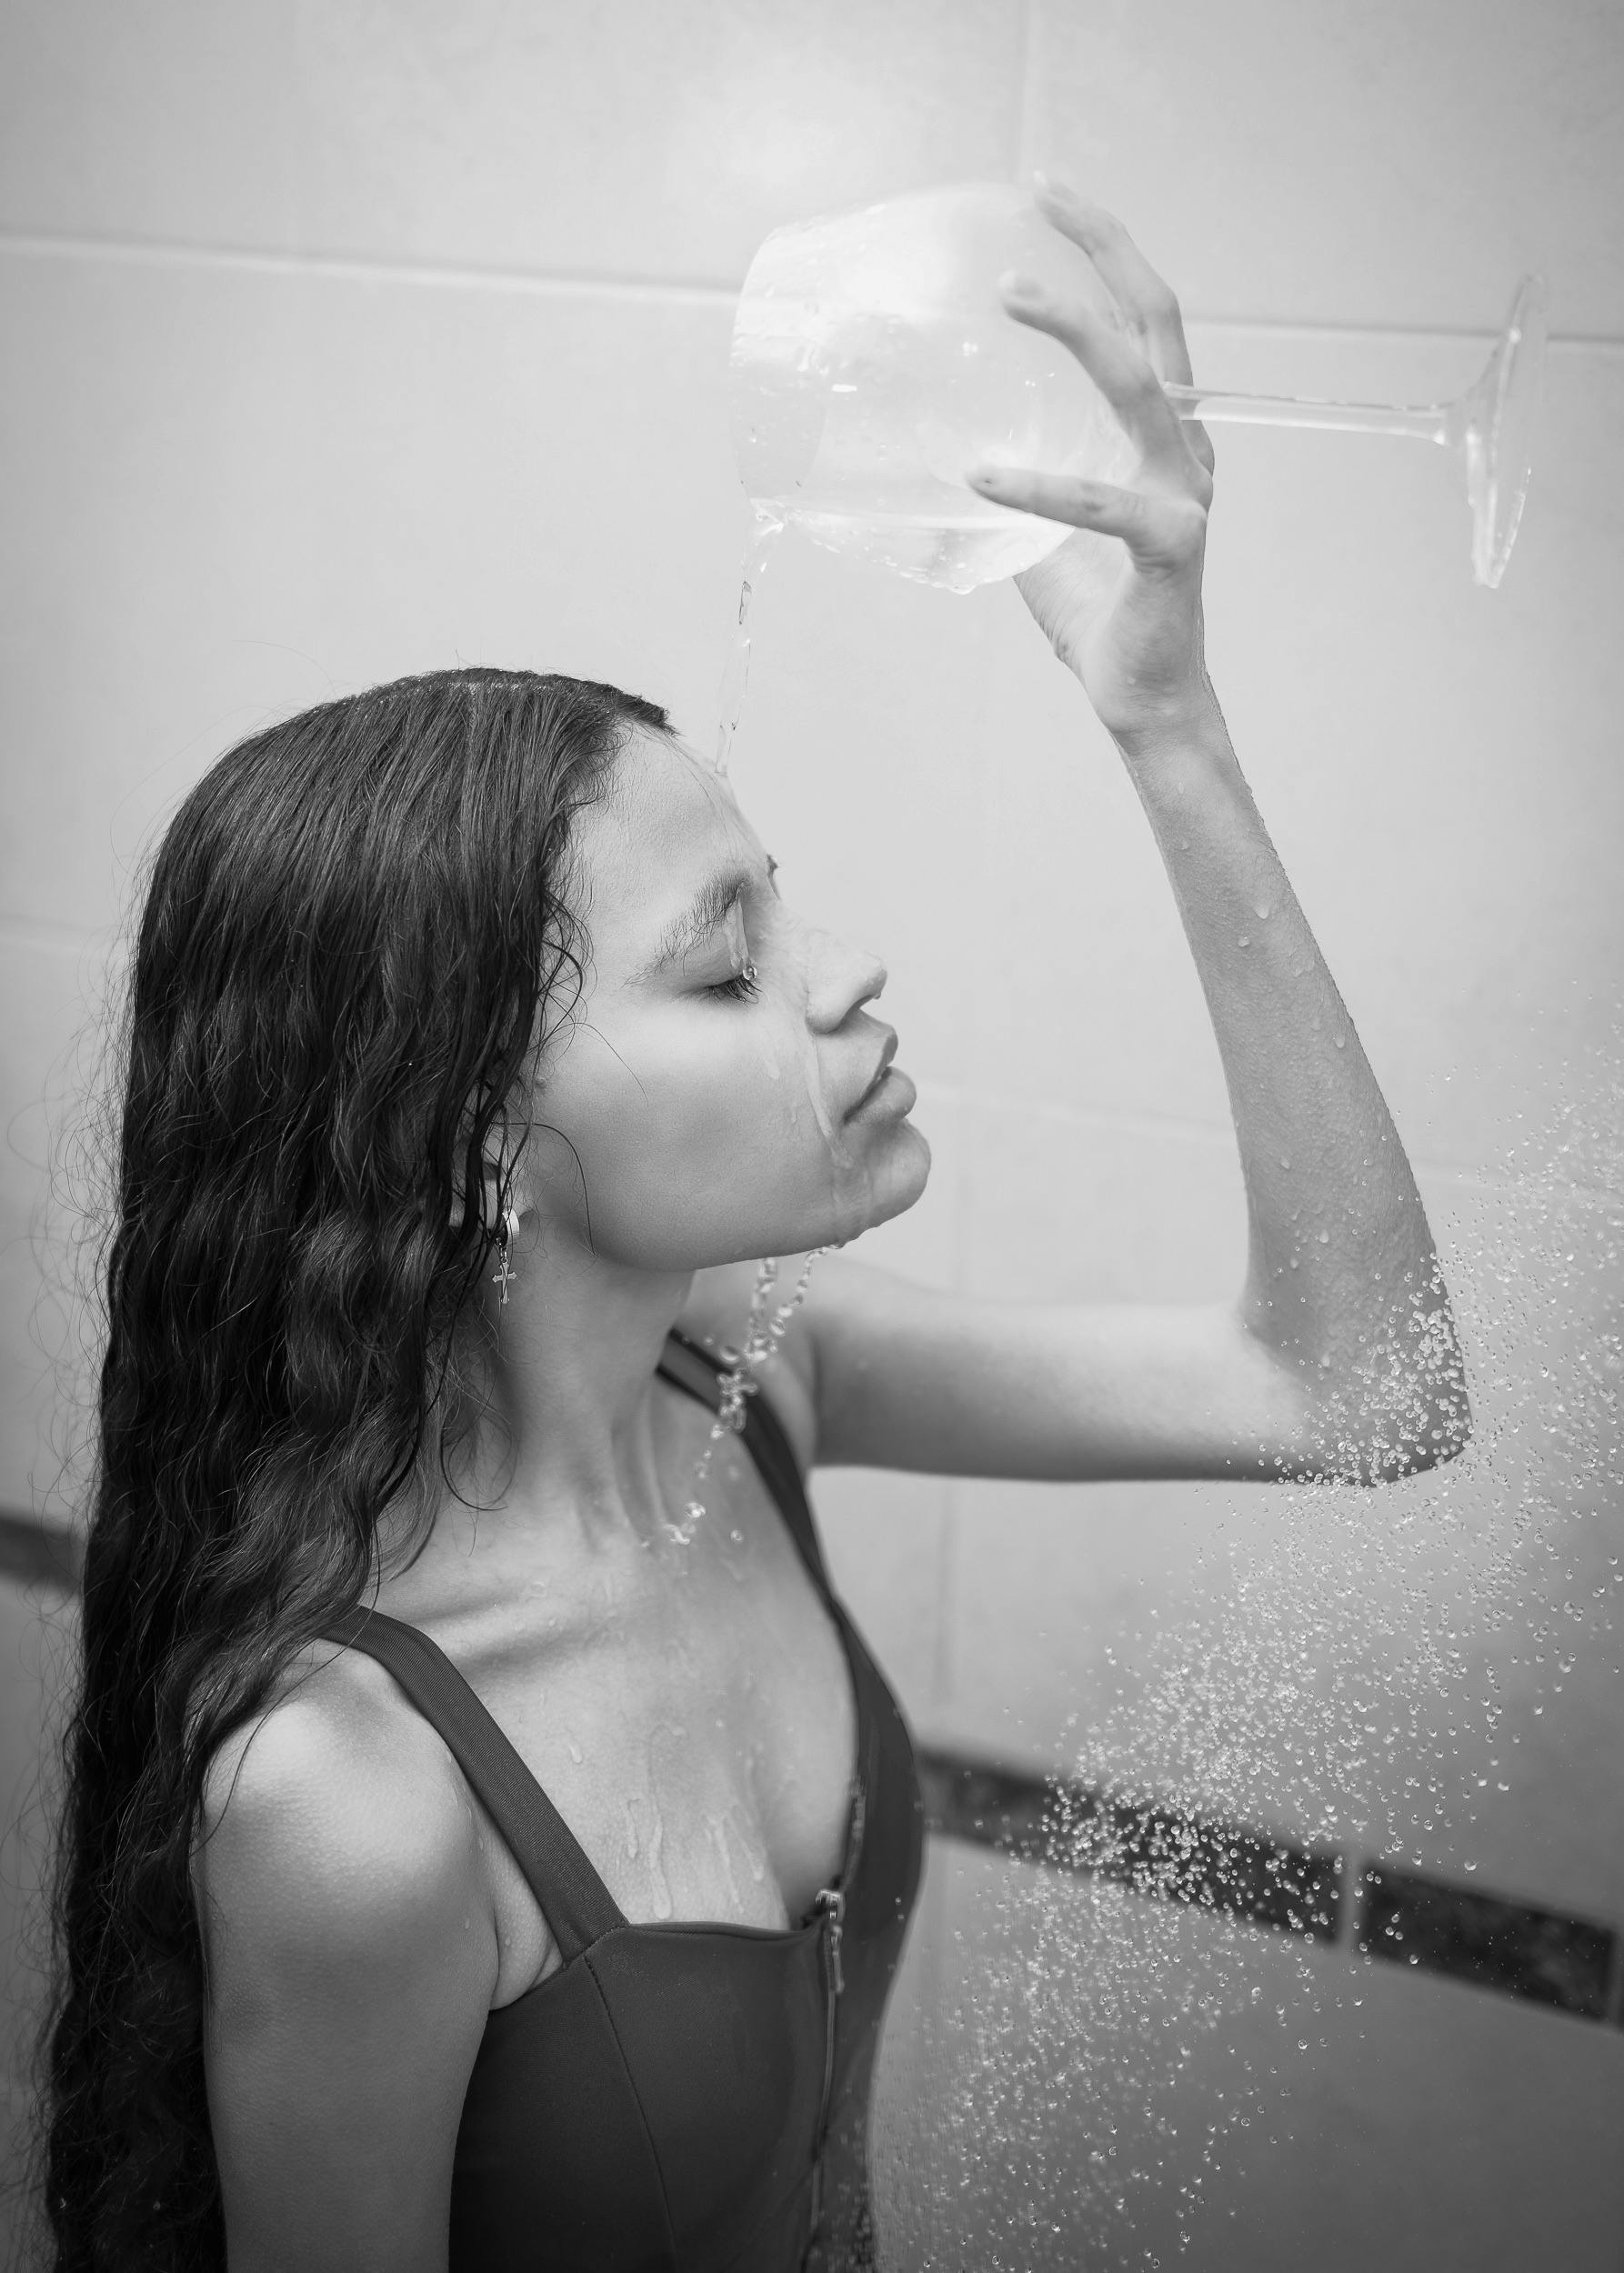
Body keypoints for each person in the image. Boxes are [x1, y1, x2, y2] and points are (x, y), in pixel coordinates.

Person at [36, 180, 1467, 2273]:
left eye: (779, 902)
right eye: (720, 971)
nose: (843, 974)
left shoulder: (754, 1377)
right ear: (466, 1150)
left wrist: (1167, 724)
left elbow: (1362, 1384)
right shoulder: (351, 1799)